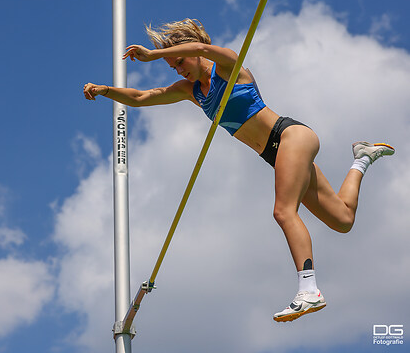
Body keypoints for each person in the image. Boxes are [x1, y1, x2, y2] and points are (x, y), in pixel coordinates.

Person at [83, 18, 395, 322]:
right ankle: (362, 158)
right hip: (276, 155)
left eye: (179, 62)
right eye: (174, 67)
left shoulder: (229, 67)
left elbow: (207, 51)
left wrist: (153, 55)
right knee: (342, 220)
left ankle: (309, 289)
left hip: (290, 137)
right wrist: (104, 89)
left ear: (194, 50)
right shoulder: (192, 90)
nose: (179, 70)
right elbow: (142, 97)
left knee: (283, 212)